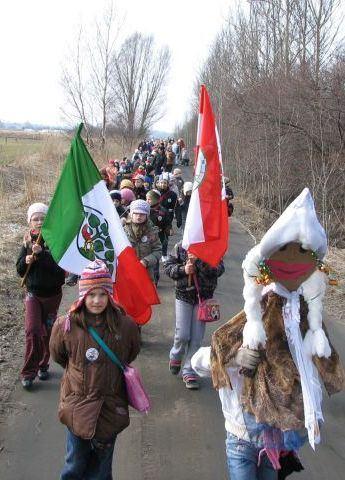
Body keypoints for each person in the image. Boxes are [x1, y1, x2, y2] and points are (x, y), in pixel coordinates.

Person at [192, 188, 345, 480]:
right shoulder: (243, 331)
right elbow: (204, 360)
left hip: (280, 442)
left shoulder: (303, 336)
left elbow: (319, 372)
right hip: (241, 437)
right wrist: (236, 358)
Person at [50, 259, 140, 480]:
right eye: (91, 294)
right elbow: (59, 356)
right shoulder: (66, 325)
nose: (97, 300)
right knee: (74, 464)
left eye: (102, 294)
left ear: (109, 294)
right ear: (82, 296)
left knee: (101, 469)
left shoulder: (125, 325)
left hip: (109, 407)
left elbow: (130, 352)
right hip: (77, 406)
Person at [16, 202, 65, 389]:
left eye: (42, 218)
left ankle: (43, 364)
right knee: (32, 330)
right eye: (35, 219)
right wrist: (26, 259)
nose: (38, 222)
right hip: (32, 294)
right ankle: (29, 372)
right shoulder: (27, 241)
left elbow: (60, 272)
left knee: (47, 332)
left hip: (52, 295)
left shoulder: (56, 241)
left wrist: (42, 255)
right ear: (29, 222)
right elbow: (20, 270)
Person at [163, 241, 224, 390]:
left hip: (203, 298)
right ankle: (176, 355)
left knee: (196, 338)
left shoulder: (212, 248)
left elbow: (219, 270)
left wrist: (200, 261)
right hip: (183, 295)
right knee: (182, 335)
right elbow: (168, 268)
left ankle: (189, 370)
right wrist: (183, 269)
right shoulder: (181, 247)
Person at [123, 200, 161, 282]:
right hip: (127, 273)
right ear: (131, 214)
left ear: (147, 215)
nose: (138, 216)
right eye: (136, 213)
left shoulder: (152, 231)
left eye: (142, 214)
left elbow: (157, 251)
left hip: (146, 272)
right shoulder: (123, 230)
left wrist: (146, 261)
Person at [146, 189, 171, 284]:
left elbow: (167, 223)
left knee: (155, 260)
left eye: (149, 199)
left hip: (159, 238)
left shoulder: (162, 211)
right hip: (146, 239)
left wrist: (169, 229)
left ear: (157, 200)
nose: (147, 201)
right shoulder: (145, 209)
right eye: (146, 199)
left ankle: (155, 280)